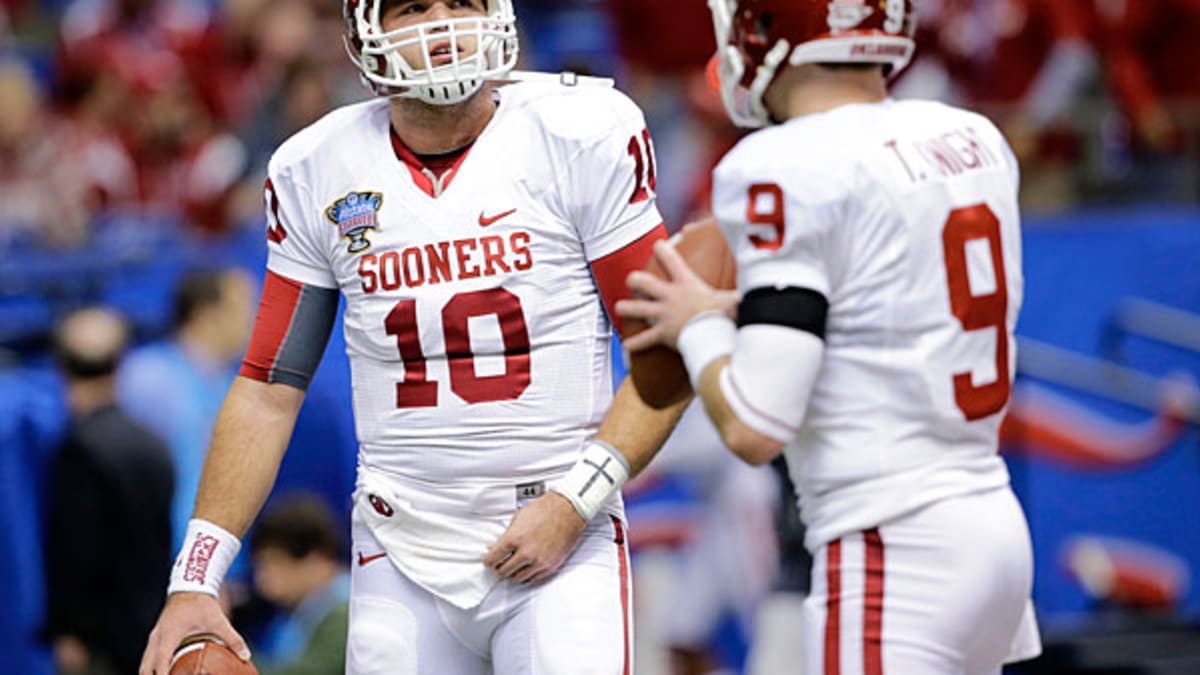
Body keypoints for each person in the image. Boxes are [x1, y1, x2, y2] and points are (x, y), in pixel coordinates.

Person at [139, 1, 686, 674]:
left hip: (560, 534)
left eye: (462, 3)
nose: (443, 24)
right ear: (363, 31)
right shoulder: (317, 166)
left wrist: (577, 500)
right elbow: (268, 387)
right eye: (414, 7)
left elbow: (665, 356)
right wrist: (197, 574)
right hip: (400, 546)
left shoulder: (580, 133)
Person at [618, 2, 1042, 673]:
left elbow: (757, 425)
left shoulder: (780, 162)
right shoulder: (970, 134)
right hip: (993, 524)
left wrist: (696, 324)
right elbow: (874, 307)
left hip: (891, 542)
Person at [43, 307, 174, 675]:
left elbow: (77, 550)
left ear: (62, 367)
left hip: (100, 642)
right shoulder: (153, 444)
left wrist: (70, 630)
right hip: (150, 629)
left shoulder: (79, 449)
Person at [119, 268, 254, 551]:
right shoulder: (147, 377)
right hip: (160, 554)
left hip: (221, 558)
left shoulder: (235, 385)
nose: (252, 322)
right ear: (206, 314)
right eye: (242, 310)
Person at [248, 495, 350, 675]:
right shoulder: (293, 613)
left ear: (317, 558)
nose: (262, 581)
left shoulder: (344, 613)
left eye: (275, 564)